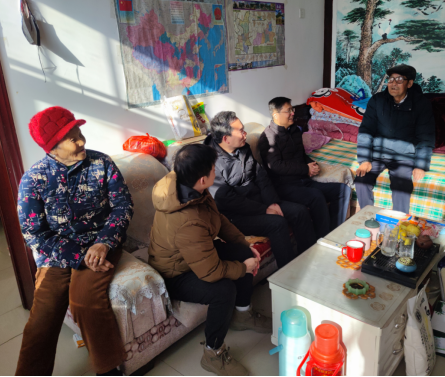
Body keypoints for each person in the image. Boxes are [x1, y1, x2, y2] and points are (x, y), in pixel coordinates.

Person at [16, 107, 134, 377]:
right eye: (73, 139)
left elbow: (123, 205)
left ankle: (108, 371)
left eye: (80, 133)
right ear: (52, 148)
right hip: (56, 254)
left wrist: (104, 243)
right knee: (41, 318)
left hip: (100, 244)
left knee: (85, 301)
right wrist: (79, 256)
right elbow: (33, 232)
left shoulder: (101, 163)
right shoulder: (34, 178)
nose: (82, 141)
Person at [148, 144, 271, 377]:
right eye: (214, 168)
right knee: (223, 291)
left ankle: (242, 314)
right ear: (203, 179)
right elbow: (211, 272)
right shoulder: (186, 220)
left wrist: (245, 246)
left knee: (242, 253)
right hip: (176, 272)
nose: (217, 170)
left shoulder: (188, 184)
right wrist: (242, 268)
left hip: (194, 254)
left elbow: (218, 219)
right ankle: (213, 353)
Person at [204, 111, 317, 268]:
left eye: (244, 129)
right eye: (241, 131)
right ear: (226, 139)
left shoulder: (243, 148)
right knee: (277, 223)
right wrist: (264, 210)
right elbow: (227, 200)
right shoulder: (209, 162)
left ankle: (310, 260)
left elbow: (261, 176)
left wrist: (272, 202)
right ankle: (288, 273)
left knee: (299, 211)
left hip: (259, 202)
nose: (245, 134)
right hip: (235, 215)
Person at [259, 97, 351, 238]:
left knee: (343, 190)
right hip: (284, 186)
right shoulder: (268, 137)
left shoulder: (295, 130)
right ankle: (323, 239)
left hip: (303, 181)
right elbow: (275, 166)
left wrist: (311, 164)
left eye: (292, 109)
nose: (293, 113)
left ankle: (334, 233)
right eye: (288, 111)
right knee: (316, 196)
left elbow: (301, 155)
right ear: (275, 115)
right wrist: (305, 169)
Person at [355, 64, 435, 214]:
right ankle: (366, 216)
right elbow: (366, 130)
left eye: (399, 80)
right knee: (361, 179)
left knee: (402, 187)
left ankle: (399, 222)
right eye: (391, 79)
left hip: (404, 155)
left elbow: (426, 137)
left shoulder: (421, 104)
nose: (393, 84)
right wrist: (364, 160)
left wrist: (420, 165)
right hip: (378, 153)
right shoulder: (377, 100)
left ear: (409, 83)